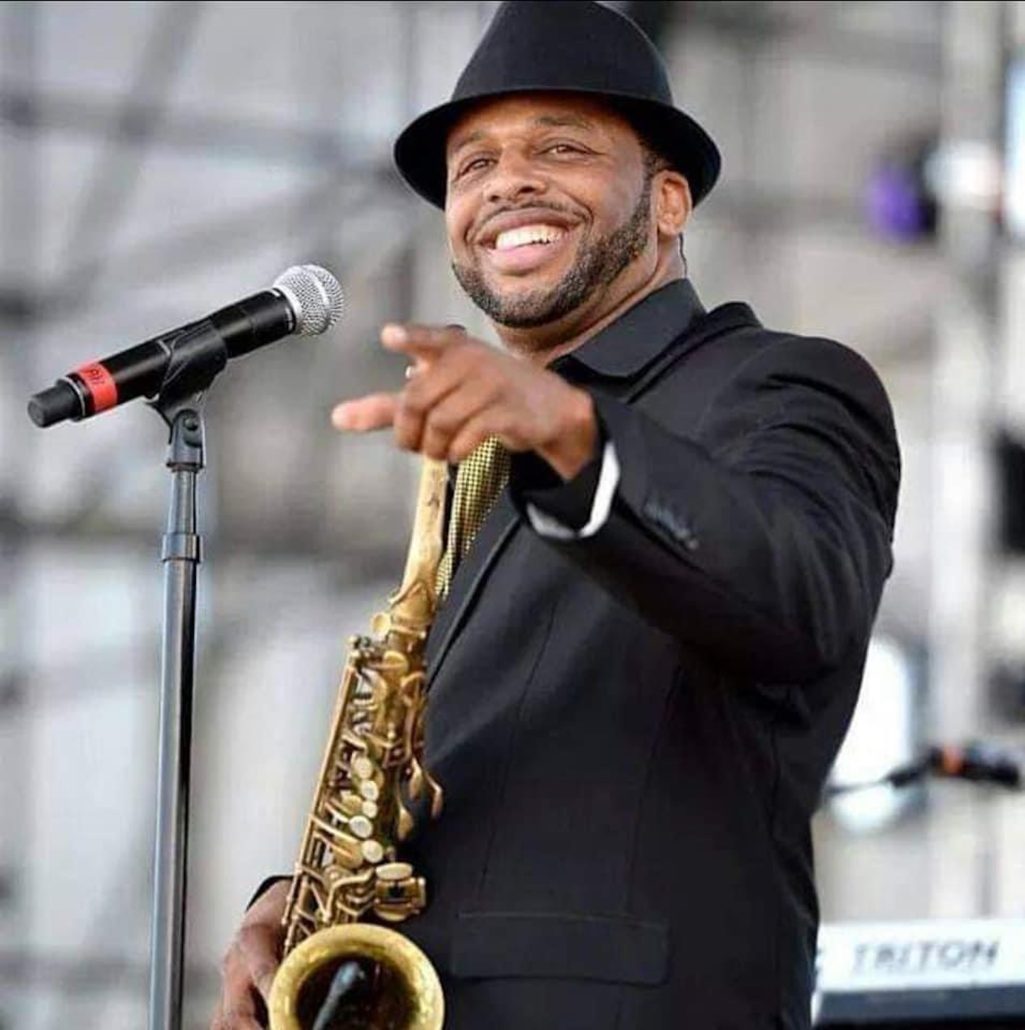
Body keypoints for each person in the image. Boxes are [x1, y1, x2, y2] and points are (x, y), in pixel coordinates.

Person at [211, 3, 900, 1028]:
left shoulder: (780, 382)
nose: (505, 184)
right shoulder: (481, 458)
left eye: (561, 148)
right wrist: (305, 901)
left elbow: (802, 596)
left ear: (668, 201)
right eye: (473, 165)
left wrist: (576, 435)